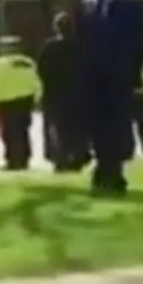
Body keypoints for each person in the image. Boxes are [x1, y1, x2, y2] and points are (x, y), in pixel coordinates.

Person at [75, 0, 143, 197]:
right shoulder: (86, 9)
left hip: (119, 75)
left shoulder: (131, 9)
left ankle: (114, 172)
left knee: (117, 125)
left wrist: (133, 67)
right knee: (97, 125)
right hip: (92, 78)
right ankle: (102, 168)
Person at [37, 12, 87, 173]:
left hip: (55, 94)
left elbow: (42, 70)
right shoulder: (81, 46)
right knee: (78, 127)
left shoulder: (50, 48)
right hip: (78, 93)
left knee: (57, 128)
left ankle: (60, 158)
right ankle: (78, 156)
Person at [0, 36, 41, 171]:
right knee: (22, 130)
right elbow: (37, 81)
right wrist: (37, 98)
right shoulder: (28, 62)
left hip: (7, 101)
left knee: (9, 132)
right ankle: (24, 158)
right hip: (25, 101)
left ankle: (12, 160)